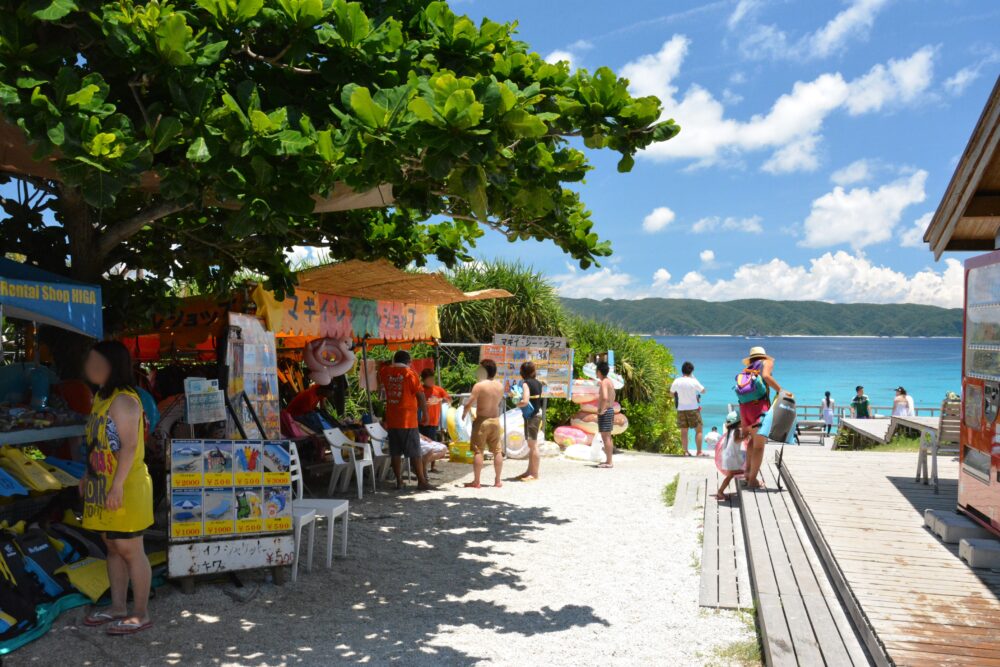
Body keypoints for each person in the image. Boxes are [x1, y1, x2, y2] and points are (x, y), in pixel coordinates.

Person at [80, 341, 154, 635]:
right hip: (102, 485)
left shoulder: (124, 401)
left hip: (124, 486)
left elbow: (129, 446)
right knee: (111, 546)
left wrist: (117, 487)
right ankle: (118, 607)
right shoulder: (100, 397)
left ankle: (140, 613)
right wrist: (88, 475)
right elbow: (97, 443)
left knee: (130, 549)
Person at [378, 350, 431, 490]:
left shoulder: (385, 372)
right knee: (415, 452)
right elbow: (420, 395)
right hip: (408, 420)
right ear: (409, 362)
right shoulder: (410, 374)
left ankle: (399, 481)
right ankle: (421, 481)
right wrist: (425, 414)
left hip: (392, 419)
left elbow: (382, 366)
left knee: (395, 452)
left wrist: (392, 363)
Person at [737, 347, 781, 490]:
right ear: (763, 356)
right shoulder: (765, 362)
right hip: (758, 408)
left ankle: (748, 473)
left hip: (744, 409)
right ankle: (752, 480)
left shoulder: (747, 369)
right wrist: (781, 391)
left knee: (752, 442)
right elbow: (767, 377)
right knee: (759, 447)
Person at [462, 359, 505, 488]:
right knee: (497, 450)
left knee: (478, 451)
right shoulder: (500, 385)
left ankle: (477, 481)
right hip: (496, 420)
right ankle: (498, 481)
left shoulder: (479, 386)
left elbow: (469, 403)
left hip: (482, 420)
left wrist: (464, 413)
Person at [514, 361, 545, 482]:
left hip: (531, 416)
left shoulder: (526, 384)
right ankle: (529, 471)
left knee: (533, 445)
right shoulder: (538, 383)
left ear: (522, 372)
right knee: (531, 445)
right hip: (536, 414)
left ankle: (534, 473)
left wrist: (517, 403)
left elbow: (525, 401)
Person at [670, 361, 706, 456]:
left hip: (681, 409)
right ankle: (699, 452)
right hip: (693, 409)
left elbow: (671, 393)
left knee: (684, 431)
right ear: (691, 371)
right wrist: (694, 378)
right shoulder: (693, 381)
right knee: (699, 430)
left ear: (682, 371)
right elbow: (703, 391)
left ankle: (685, 451)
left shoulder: (677, 381)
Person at [418, 369, 450, 473]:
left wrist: (439, 400)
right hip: (421, 422)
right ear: (424, 380)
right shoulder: (420, 390)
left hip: (433, 422)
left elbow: (449, 399)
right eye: (429, 379)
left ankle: (432, 466)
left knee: (433, 443)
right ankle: (421, 466)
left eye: (432, 379)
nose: (431, 381)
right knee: (423, 446)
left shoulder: (438, 389)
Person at [714, 412, 744, 501]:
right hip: (731, 457)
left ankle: (746, 477)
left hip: (728, 456)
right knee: (730, 476)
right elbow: (737, 440)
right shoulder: (737, 431)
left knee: (736, 472)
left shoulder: (729, 431)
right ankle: (720, 491)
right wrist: (746, 437)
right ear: (738, 422)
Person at [596, 361, 616, 469]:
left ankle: (609, 462)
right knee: (607, 436)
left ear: (599, 371)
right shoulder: (610, 381)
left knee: (606, 437)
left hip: (606, 411)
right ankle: (609, 460)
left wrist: (601, 410)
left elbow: (604, 397)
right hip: (610, 410)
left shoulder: (604, 382)